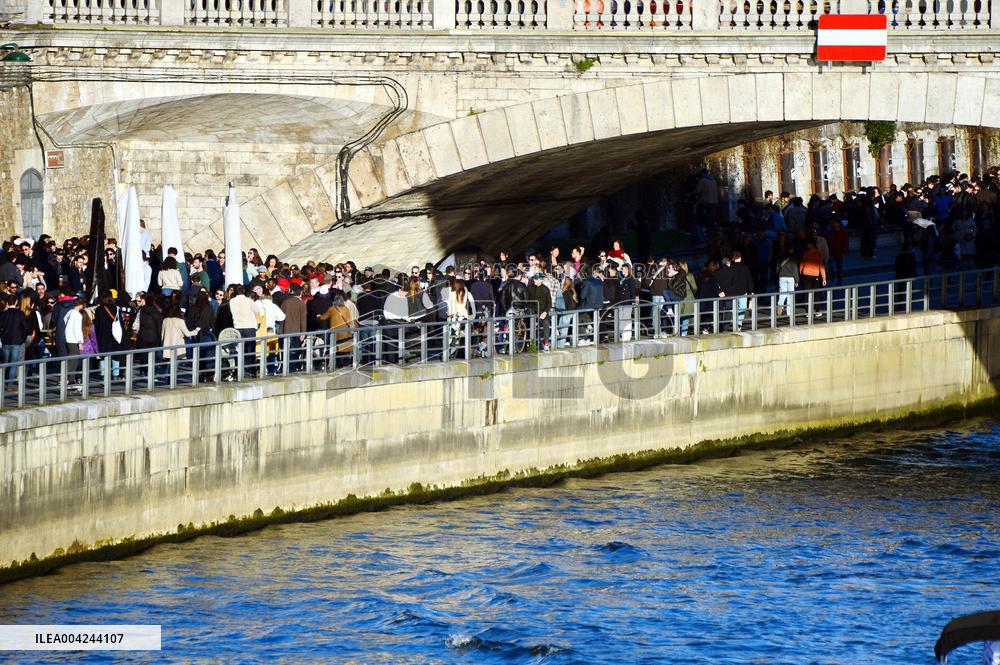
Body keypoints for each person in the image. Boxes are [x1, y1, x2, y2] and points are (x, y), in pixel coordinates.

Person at [0, 294, 29, 391]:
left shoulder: (3, 314)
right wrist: (22, 339)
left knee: (6, 362)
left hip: (5, 341)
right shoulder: (20, 313)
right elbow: (25, 328)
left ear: (7, 303)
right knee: (13, 363)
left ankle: (3, 382)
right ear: (16, 302)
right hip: (17, 341)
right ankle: (9, 384)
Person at [94, 293, 126, 379]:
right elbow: (121, 322)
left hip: (103, 335)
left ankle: (103, 374)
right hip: (115, 335)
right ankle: (115, 374)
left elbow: (97, 324)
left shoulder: (99, 309)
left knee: (103, 355)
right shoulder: (116, 308)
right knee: (115, 355)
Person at [63, 298, 86, 387]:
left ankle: (71, 379)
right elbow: (77, 329)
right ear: (81, 305)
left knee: (72, 359)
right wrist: (80, 341)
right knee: (74, 360)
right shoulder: (77, 315)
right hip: (74, 339)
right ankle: (67, 378)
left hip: (68, 337)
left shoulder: (70, 312)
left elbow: (64, 320)